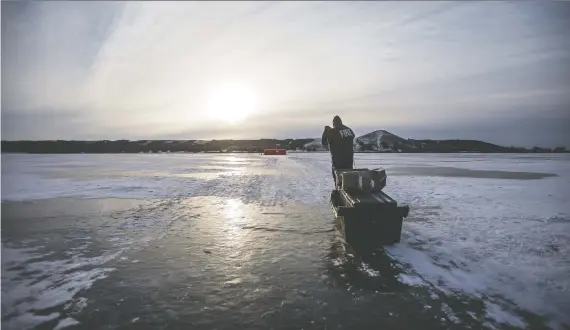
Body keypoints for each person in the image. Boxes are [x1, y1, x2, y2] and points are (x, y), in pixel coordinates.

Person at [321, 115, 355, 185]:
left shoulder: (331, 132)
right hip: (349, 159)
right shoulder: (349, 129)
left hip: (337, 160)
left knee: (338, 179)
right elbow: (352, 136)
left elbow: (323, 142)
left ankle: (339, 191)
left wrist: (326, 132)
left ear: (333, 123)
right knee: (349, 177)